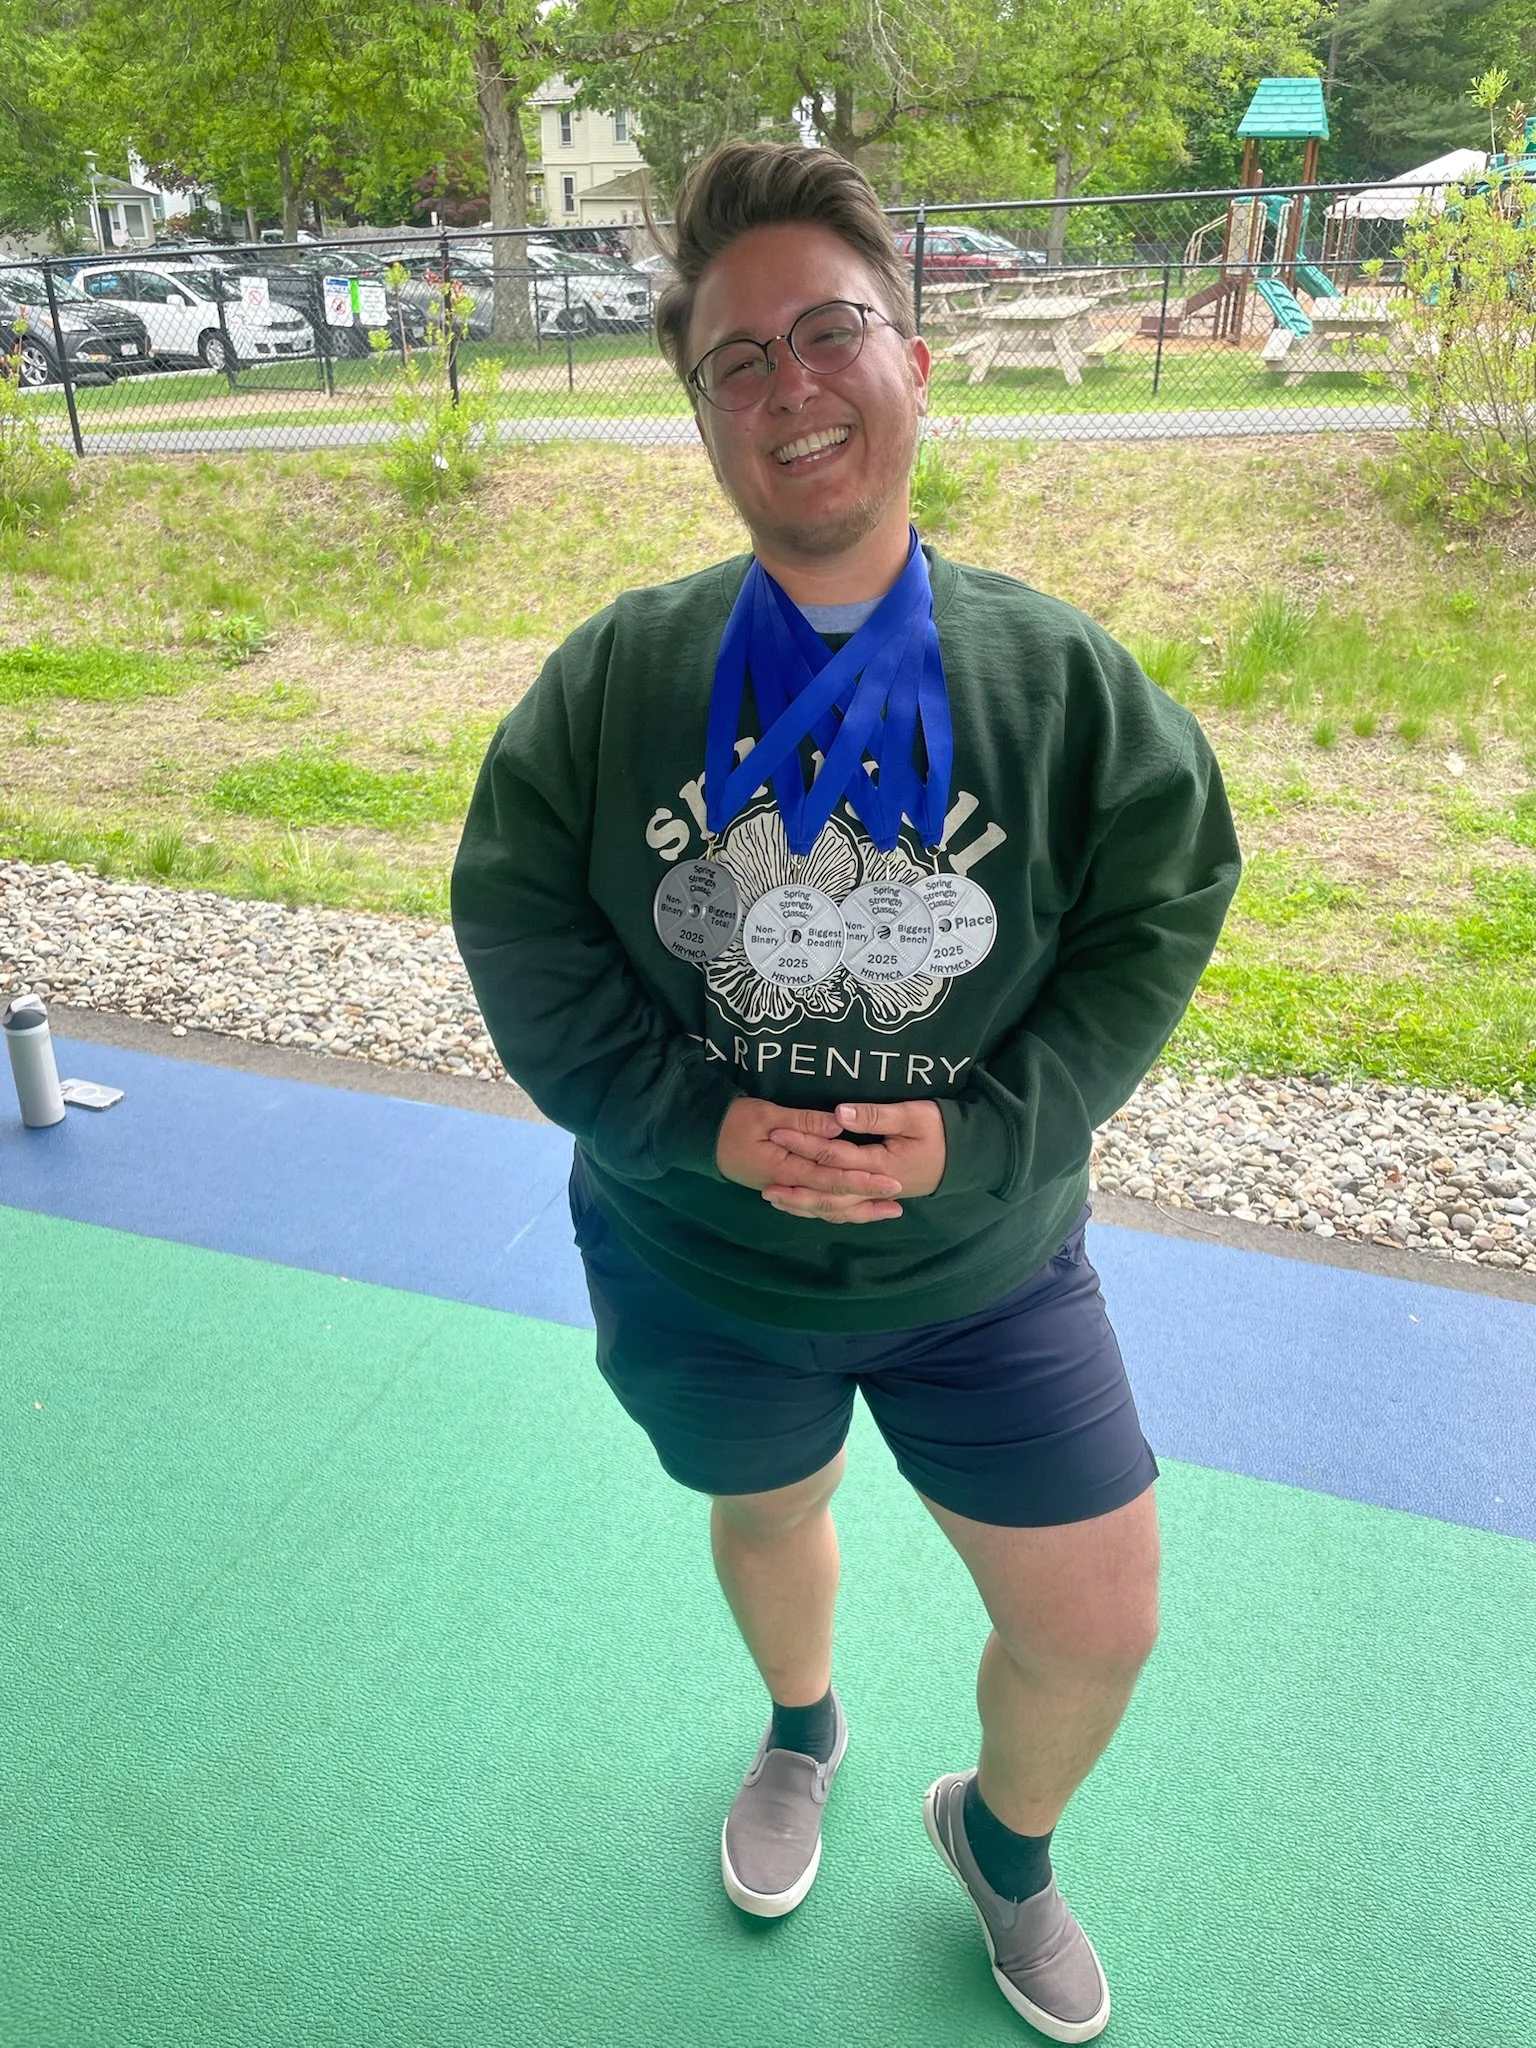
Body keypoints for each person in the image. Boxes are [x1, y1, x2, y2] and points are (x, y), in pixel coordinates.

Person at [452, 141, 1241, 2042]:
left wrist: (995, 1133)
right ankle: (801, 1730)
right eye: (735, 359)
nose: (788, 384)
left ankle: (1003, 1845)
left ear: (914, 359)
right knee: (768, 1513)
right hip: (699, 1261)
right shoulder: (614, 679)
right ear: (702, 414)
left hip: (984, 1266)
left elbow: (1164, 905)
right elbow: (518, 924)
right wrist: (695, 1125)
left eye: (830, 331)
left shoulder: (1059, 682)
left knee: (1097, 1619)